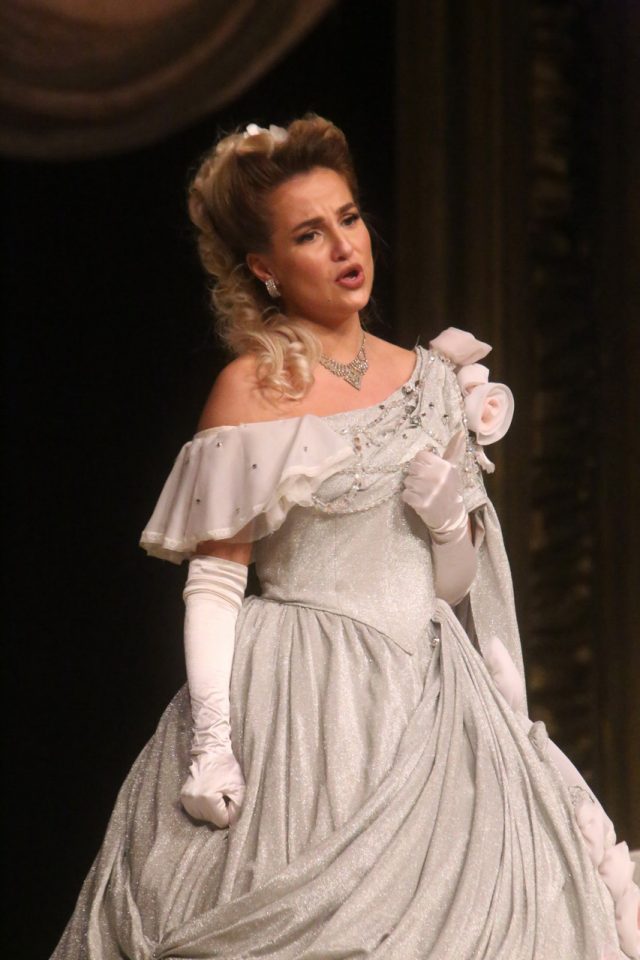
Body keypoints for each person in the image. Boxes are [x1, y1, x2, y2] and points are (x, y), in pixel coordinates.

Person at [51, 115, 639, 960]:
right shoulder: (251, 390)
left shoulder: (434, 381)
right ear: (264, 268)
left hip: (433, 699)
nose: (343, 246)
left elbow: (453, 586)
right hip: (302, 706)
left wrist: (447, 523)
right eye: (309, 233)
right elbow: (215, 583)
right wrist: (213, 743)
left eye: (349, 218)